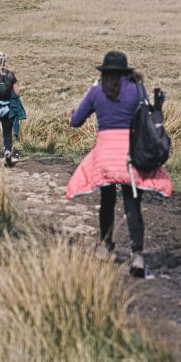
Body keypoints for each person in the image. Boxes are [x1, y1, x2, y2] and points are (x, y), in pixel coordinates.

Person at [66, 50, 173, 278]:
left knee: (106, 200)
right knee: (132, 203)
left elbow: (76, 121)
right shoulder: (136, 88)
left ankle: (106, 248)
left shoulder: (96, 90)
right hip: (130, 153)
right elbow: (147, 113)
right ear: (126, 70)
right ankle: (137, 255)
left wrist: (73, 115)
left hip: (105, 153)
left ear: (105, 71)